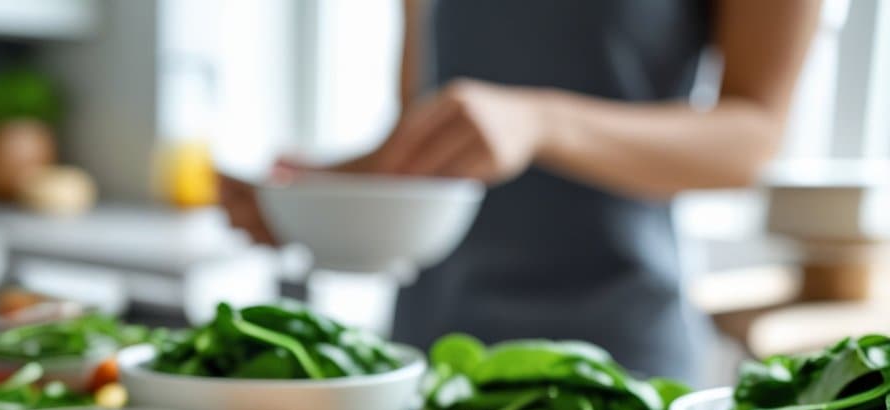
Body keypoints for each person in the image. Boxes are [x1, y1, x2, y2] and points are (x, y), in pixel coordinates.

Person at [220, 0, 820, 382]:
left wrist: (543, 122)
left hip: (611, 365)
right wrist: (309, 198)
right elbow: (430, 136)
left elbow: (755, 136)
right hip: (432, 352)